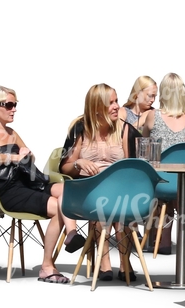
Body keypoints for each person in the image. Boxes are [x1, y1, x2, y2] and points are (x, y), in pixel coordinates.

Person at [0, 85, 82, 284]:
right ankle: (47, 267)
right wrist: (14, 157)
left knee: (67, 190)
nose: (14, 109)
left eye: (15, 104)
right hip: (7, 190)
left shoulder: (12, 132)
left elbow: (29, 158)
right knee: (58, 206)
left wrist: (27, 154)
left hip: (29, 182)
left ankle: (72, 233)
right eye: (9, 105)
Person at [60, 83, 133, 282]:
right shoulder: (80, 128)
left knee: (118, 205)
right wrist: (78, 162)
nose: (117, 106)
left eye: (116, 101)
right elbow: (64, 168)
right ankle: (106, 262)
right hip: (89, 191)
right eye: (110, 103)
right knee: (102, 207)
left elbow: (132, 165)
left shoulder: (124, 129)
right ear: (96, 108)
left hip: (118, 190)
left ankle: (124, 262)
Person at [141, 72, 185, 254]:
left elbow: (144, 150)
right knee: (173, 189)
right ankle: (176, 240)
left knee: (160, 188)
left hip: (160, 182)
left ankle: (162, 240)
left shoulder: (153, 116)